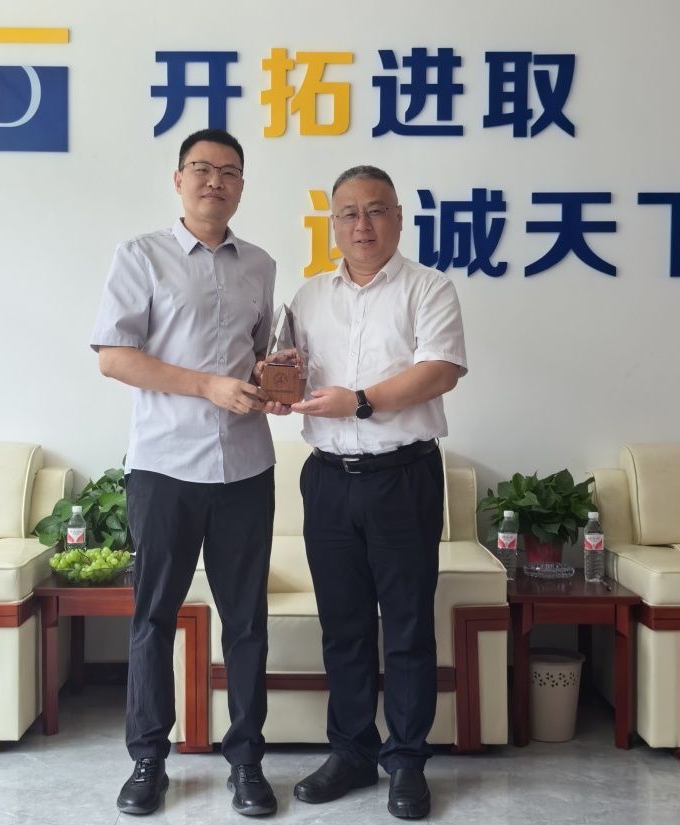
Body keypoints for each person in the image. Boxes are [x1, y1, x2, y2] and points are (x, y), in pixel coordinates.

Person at [90, 128, 284, 817]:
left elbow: (258, 356)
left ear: (241, 186)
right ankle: (148, 759)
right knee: (153, 616)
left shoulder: (260, 264)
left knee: (246, 620)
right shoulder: (140, 256)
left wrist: (275, 379)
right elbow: (114, 356)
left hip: (246, 467)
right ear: (179, 180)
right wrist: (207, 385)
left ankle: (247, 760)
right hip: (165, 465)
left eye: (229, 171)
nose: (214, 181)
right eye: (201, 168)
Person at [286, 165, 467, 820]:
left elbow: (440, 370)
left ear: (398, 217)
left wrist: (359, 400)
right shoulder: (308, 296)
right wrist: (279, 386)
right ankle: (352, 751)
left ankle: (408, 760)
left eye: (375, 210)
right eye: (348, 213)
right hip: (328, 479)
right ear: (333, 223)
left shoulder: (429, 287)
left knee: (409, 625)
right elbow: (293, 371)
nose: (361, 224)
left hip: (403, 478)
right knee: (345, 625)